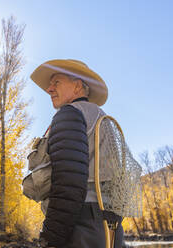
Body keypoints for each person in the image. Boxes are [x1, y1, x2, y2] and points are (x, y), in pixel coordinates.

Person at [28, 59, 124, 248]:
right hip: (109, 227)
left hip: (79, 226)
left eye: (57, 82)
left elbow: (68, 182)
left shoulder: (70, 114)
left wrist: (51, 237)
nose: (49, 89)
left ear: (78, 86)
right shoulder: (101, 117)